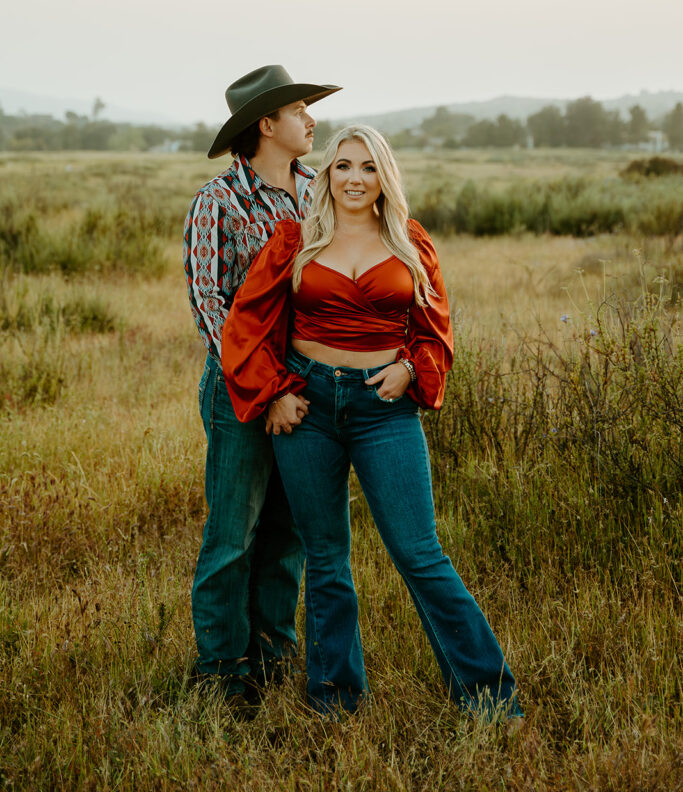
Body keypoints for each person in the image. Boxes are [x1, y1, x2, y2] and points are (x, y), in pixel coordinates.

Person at [221, 124, 523, 719]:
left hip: (384, 411)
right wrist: (274, 392)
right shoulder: (293, 241)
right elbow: (246, 325)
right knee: (326, 557)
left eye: (367, 168)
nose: (355, 179)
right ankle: (334, 702)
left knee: (420, 553)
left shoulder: (409, 241)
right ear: (326, 174)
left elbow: (436, 327)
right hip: (308, 409)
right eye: (343, 167)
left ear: (384, 177)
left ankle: (490, 699)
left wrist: (412, 368)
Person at [183, 64, 342, 701]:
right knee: (232, 534)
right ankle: (222, 673)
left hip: (309, 387)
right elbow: (210, 310)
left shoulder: (320, 194)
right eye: (301, 110)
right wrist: (269, 386)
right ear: (267, 124)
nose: (312, 120)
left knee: (289, 532)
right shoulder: (217, 202)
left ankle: (274, 661)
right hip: (240, 389)